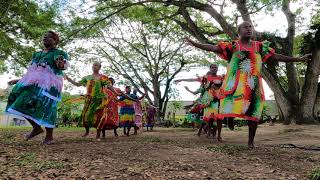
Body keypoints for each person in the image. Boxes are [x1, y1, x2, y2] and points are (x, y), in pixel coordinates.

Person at [186, 21, 311, 147]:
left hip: (253, 85)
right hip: (234, 85)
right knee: (229, 105)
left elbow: (277, 56)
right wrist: (195, 44)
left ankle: (250, 142)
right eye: (245, 27)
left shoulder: (259, 46)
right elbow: (213, 47)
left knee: (254, 110)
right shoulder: (233, 46)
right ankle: (230, 119)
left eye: (251, 27)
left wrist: (298, 59)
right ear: (239, 31)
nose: (249, 29)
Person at [6, 31, 69, 144]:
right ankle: (36, 128)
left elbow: (63, 65)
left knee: (48, 107)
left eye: (48, 37)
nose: (45, 38)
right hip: (34, 84)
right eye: (44, 37)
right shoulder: (37, 54)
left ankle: (49, 137)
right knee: (19, 101)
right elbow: (31, 71)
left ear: (55, 40)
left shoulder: (58, 52)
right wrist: (18, 80)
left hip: (51, 85)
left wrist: (61, 64)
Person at [64, 62, 111, 138]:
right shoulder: (87, 77)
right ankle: (87, 131)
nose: (94, 66)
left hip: (99, 100)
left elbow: (108, 85)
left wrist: (115, 92)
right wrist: (68, 79)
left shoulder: (103, 77)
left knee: (98, 116)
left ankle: (98, 134)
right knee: (86, 116)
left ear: (99, 67)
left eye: (96, 65)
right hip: (89, 99)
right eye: (93, 65)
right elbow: (77, 84)